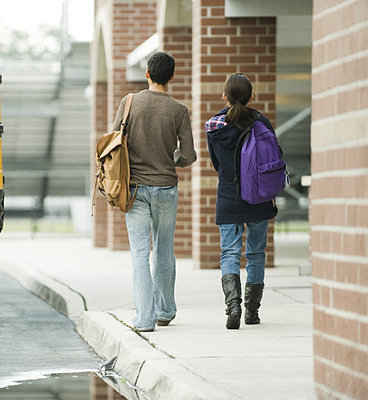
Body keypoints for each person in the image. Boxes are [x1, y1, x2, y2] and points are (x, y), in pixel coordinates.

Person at [111, 52, 197, 332]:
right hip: (166, 189)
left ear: (147, 74)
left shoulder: (129, 103)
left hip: (134, 189)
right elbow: (189, 156)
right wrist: (172, 160)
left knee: (139, 253)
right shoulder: (179, 110)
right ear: (172, 77)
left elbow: (113, 144)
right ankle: (165, 310)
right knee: (164, 249)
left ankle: (144, 319)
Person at [205, 73, 278, 330]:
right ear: (251, 97)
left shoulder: (215, 128)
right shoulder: (262, 123)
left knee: (229, 252)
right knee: (256, 254)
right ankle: (252, 312)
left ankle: (233, 307)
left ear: (224, 96)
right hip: (258, 196)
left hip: (229, 195)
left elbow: (216, 164)